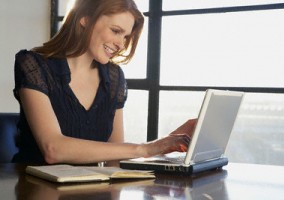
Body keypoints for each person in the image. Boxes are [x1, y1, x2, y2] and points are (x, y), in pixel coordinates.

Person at [12, 0, 196, 166]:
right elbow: (53, 149)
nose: (121, 45)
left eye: (125, 37)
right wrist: (147, 148)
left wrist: (168, 142)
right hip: (36, 190)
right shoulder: (32, 65)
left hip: (91, 190)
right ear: (85, 19)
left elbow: (115, 156)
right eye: (116, 31)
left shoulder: (114, 77)